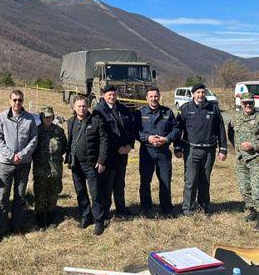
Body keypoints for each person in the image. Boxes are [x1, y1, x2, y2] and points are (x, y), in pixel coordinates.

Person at [0, 90, 38, 243]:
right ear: (9, 101)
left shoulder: (29, 119)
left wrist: (22, 155)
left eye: (20, 100)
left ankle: (16, 227)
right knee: (3, 196)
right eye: (15, 100)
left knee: (20, 196)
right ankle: (0, 230)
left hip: (23, 164)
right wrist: (11, 155)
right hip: (5, 163)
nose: (17, 103)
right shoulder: (2, 118)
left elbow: (34, 139)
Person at [175, 83, 227, 215]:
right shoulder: (185, 108)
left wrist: (223, 149)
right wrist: (177, 147)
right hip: (192, 150)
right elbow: (177, 129)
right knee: (191, 180)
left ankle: (204, 206)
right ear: (193, 94)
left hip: (209, 150)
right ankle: (188, 208)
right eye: (198, 92)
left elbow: (220, 129)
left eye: (203, 92)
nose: (200, 95)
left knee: (205, 180)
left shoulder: (213, 109)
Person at [227, 92, 259, 232]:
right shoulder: (236, 118)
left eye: (250, 103)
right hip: (241, 159)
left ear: (254, 103)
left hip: (256, 159)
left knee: (258, 188)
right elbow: (230, 133)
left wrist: (254, 145)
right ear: (241, 104)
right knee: (244, 187)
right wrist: (237, 148)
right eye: (245, 103)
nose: (248, 105)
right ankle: (252, 210)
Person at [92, 85, 137, 220]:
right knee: (107, 185)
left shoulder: (123, 109)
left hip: (123, 154)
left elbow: (131, 128)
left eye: (114, 94)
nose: (112, 97)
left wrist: (130, 145)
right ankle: (105, 213)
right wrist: (117, 148)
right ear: (104, 95)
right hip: (110, 154)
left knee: (120, 183)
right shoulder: (99, 111)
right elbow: (102, 135)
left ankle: (121, 210)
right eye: (109, 95)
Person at [65, 95, 109, 235]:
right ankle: (85, 217)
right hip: (75, 165)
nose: (82, 108)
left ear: (88, 107)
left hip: (91, 165)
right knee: (80, 192)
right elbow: (70, 140)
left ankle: (99, 221)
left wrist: (101, 161)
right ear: (74, 107)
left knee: (95, 194)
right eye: (79, 106)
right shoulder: (71, 121)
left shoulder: (96, 121)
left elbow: (104, 142)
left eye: (84, 106)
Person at [137, 86, 180, 217]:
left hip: (163, 153)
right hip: (147, 152)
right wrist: (147, 138)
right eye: (151, 96)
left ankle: (166, 209)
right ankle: (146, 208)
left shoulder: (168, 112)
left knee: (165, 181)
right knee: (145, 182)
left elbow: (176, 130)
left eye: (156, 96)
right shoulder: (140, 113)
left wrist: (167, 139)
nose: (153, 99)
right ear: (146, 98)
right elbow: (135, 131)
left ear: (159, 97)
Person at [32, 106, 67, 230]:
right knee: (40, 195)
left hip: (55, 169)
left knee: (53, 194)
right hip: (40, 170)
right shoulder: (35, 131)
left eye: (50, 116)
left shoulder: (59, 131)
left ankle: (51, 219)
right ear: (41, 117)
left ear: (53, 117)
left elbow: (64, 147)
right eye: (45, 116)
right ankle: (40, 221)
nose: (48, 119)